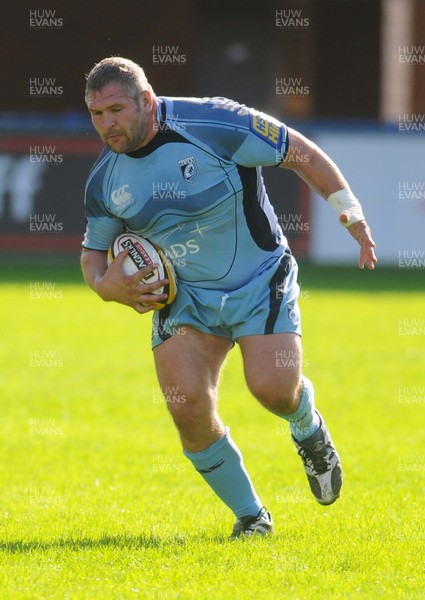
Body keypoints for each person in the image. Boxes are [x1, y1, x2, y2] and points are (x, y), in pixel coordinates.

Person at [80, 57, 377, 538]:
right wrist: (103, 285)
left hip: (259, 278)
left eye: (116, 109)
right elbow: (94, 253)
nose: (107, 123)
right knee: (187, 407)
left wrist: (350, 212)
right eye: (96, 113)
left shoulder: (214, 122)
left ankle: (307, 425)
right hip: (187, 298)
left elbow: (296, 150)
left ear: (147, 101)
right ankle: (252, 518)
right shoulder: (105, 180)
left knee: (273, 389)